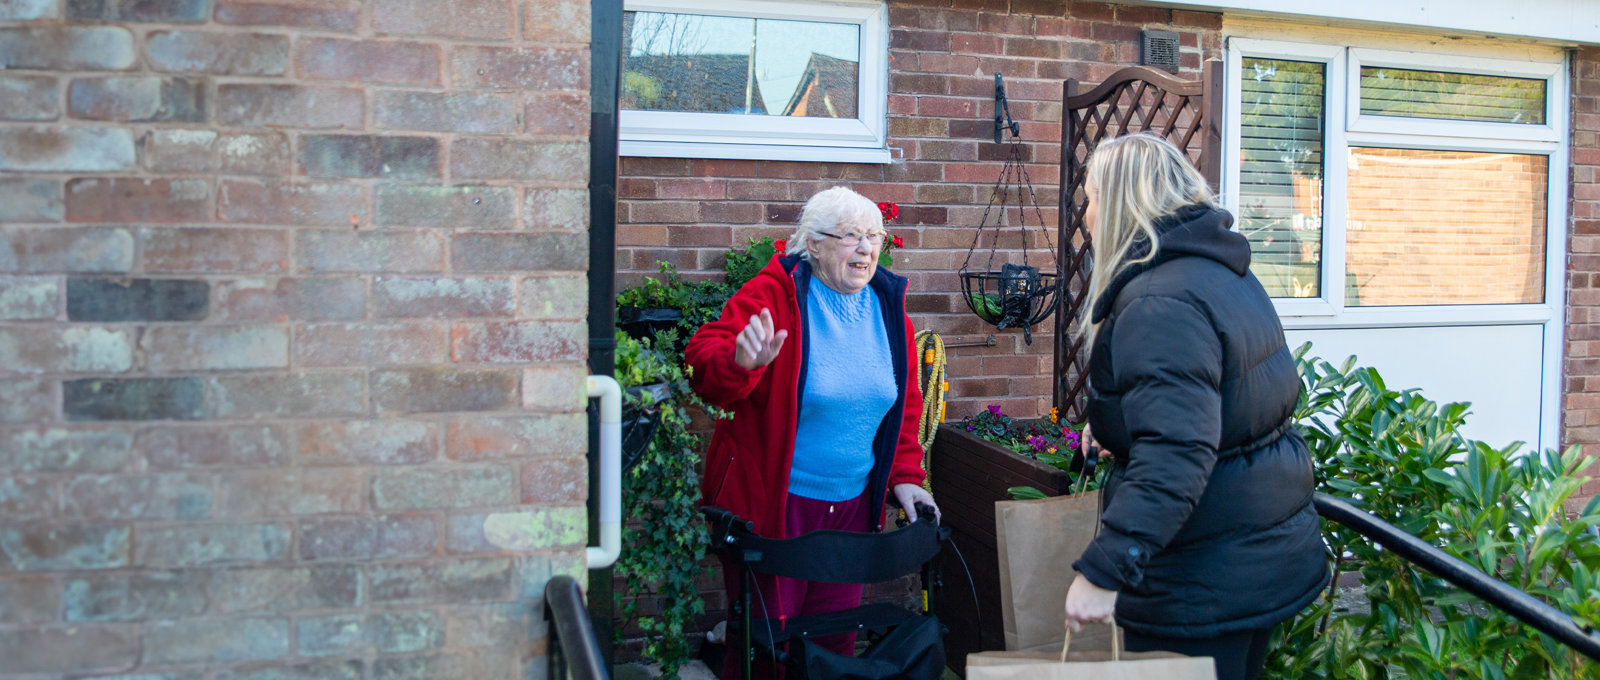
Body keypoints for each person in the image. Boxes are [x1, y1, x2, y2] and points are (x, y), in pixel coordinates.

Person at [1061, 134, 1328, 680]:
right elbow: (1225, 405)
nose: (1085, 214)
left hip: (1200, 577)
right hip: (1250, 555)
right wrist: (1119, 426)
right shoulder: (1221, 272)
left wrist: (1104, 571)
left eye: (1089, 197)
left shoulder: (1162, 301)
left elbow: (1179, 452)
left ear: (1120, 202)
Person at [685, 186, 940, 679]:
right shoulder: (774, 295)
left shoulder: (889, 311)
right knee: (766, 643)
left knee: (833, 641)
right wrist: (741, 362)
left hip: (849, 509)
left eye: (874, 235)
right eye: (850, 236)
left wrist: (907, 475)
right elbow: (704, 359)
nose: (866, 248)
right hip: (774, 506)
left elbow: (904, 407)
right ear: (813, 244)